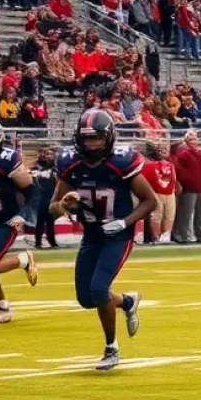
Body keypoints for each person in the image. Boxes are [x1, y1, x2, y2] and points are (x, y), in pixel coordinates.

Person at [49, 110, 156, 370]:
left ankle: (111, 348)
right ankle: (127, 301)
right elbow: (53, 207)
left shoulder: (121, 161)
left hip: (118, 235)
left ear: (108, 138)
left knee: (98, 289)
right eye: (87, 139)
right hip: (92, 234)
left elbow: (150, 200)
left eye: (97, 138)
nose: (92, 144)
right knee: (86, 298)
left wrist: (125, 221)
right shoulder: (69, 163)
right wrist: (65, 206)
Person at [0, 120, 40, 323]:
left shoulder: (6, 159)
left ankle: (23, 259)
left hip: (5, 220)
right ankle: (3, 308)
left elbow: (32, 191)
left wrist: (24, 214)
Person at [174, 131, 201, 243]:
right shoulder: (183, 154)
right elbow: (179, 170)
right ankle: (181, 235)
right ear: (186, 141)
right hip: (189, 188)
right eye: (191, 139)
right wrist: (186, 182)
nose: (193, 142)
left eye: (194, 139)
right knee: (185, 213)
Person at [143, 141, 177, 244]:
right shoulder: (149, 164)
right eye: (160, 149)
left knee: (169, 215)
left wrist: (173, 190)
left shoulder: (170, 164)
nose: (163, 151)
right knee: (156, 215)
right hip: (156, 192)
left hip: (169, 193)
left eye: (165, 148)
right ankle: (156, 237)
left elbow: (174, 179)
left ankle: (166, 236)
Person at [29, 146, 59, 250]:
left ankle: (52, 241)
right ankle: (38, 242)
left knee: (50, 221)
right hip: (40, 198)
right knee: (40, 221)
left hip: (50, 197)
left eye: (47, 154)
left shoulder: (54, 168)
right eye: (43, 153)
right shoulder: (35, 167)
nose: (45, 155)